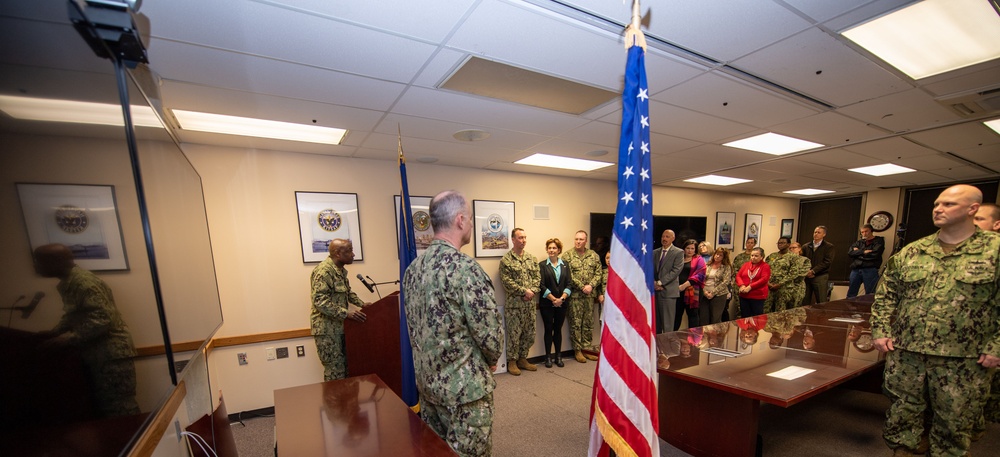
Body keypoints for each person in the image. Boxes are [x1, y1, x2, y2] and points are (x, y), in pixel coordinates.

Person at [872, 184, 1000, 456]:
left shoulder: (994, 250)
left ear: (972, 209)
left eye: (949, 204)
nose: (939, 209)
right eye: (936, 204)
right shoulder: (914, 251)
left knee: (954, 422)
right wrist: (880, 330)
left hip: (964, 359)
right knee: (902, 415)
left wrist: (997, 346)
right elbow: (886, 294)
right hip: (908, 354)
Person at [403, 190, 504, 457]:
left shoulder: (412, 270)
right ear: (460, 220)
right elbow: (490, 336)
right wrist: (491, 359)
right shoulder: (465, 269)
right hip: (465, 394)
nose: (470, 224)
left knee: (436, 452)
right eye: (470, 219)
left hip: (428, 387)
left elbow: (413, 328)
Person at [33, 243, 140, 418]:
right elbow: (74, 314)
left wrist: (68, 339)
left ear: (55, 261)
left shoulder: (84, 283)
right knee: (105, 408)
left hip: (111, 355)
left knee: (120, 408)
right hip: (98, 354)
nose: (36, 267)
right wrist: (55, 332)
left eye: (39, 262)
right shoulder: (69, 282)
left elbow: (103, 319)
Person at [310, 238, 368, 381]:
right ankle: (335, 404)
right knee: (335, 372)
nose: (353, 254)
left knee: (347, 370)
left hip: (341, 328)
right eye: (349, 251)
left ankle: (346, 403)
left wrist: (362, 304)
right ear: (337, 253)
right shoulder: (324, 271)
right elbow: (319, 301)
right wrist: (346, 314)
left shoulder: (340, 271)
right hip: (327, 331)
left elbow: (347, 293)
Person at [973, 202, 1000, 437]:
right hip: (955, 344)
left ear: (996, 224)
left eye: (980, 219)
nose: (973, 224)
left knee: (982, 395)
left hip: (989, 343)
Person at [498, 228, 540, 376]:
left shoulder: (531, 258)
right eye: (520, 238)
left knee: (529, 333)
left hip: (529, 305)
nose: (523, 240)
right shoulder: (506, 260)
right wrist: (524, 291)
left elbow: (537, 278)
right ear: (513, 240)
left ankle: (523, 358)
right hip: (514, 306)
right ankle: (512, 362)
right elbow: (506, 282)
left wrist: (532, 291)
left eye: (525, 237)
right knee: (514, 334)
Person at [561, 230, 602, 363]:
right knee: (575, 323)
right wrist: (582, 286)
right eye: (576, 239)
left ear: (585, 240)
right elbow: (568, 275)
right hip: (575, 296)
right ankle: (577, 350)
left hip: (589, 296)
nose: (578, 242)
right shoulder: (567, 256)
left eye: (581, 239)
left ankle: (587, 348)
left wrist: (591, 285)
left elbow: (598, 272)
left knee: (588, 323)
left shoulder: (593, 255)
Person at [539, 238, 572, 368]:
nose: (551, 250)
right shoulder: (542, 265)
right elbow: (541, 285)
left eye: (554, 248)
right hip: (547, 304)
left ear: (559, 250)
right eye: (549, 248)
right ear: (547, 249)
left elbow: (569, 284)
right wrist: (553, 299)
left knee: (558, 330)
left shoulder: (565, 265)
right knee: (548, 329)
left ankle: (558, 356)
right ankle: (548, 357)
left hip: (562, 304)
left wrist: (562, 299)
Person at [764, 237, 809, 313]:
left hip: (784, 289)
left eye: (783, 243)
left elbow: (793, 273)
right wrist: (768, 283)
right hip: (770, 287)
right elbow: (765, 270)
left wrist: (780, 284)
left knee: (780, 312)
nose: (780, 245)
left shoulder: (794, 257)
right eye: (779, 243)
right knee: (766, 310)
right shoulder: (772, 256)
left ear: (788, 244)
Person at [653, 230, 684, 334]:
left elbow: (676, 271)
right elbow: (650, 269)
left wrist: (660, 283)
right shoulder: (655, 252)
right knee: (656, 324)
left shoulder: (678, 252)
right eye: (663, 236)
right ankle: (657, 348)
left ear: (673, 239)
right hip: (655, 292)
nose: (664, 239)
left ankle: (667, 349)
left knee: (667, 325)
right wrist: (653, 283)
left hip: (668, 293)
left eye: (667, 237)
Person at [846, 224, 886, 298]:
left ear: (871, 231)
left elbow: (874, 255)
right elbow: (850, 253)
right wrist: (864, 252)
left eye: (866, 231)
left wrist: (858, 253)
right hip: (856, 269)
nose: (864, 233)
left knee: (870, 293)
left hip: (870, 269)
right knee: (851, 292)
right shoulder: (859, 242)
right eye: (862, 232)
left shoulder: (878, 241)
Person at [675, 239, 706, 330]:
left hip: (692, 291)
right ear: (684, 249)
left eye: (692, 248)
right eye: (687, 248)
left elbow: (700, 275)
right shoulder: (679, 258)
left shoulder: (699, 259)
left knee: (693, 315)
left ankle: (694, 340)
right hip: (677, 290)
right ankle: (672, 338)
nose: (690, 250)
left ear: (695, 249)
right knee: (677, 314)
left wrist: (684, 286)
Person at [801, 226, 835, 305]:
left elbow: (827, 262)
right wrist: (807, 271)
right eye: (815, 232)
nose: (816, 234)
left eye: (819, 232)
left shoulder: (829, 247)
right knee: (804, 300)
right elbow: (802, 260)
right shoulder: (806, 246)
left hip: (820, 275)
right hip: (807, 276)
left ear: (824, 234)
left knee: (821, 300)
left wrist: (814, 271)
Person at [699, 248, 733, 325]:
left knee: (715, 318)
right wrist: (705, 292)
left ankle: (714, 336)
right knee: (703, 318)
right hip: (705, 294)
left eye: (720, 255)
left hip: (719, 295)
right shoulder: (707, 265)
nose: (717, 256)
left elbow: (726, 281)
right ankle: (705, 336)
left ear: (724, 257)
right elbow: (701, 278)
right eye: (716, 254)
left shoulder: (726, 267)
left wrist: (713, 293)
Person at [736, 247, 771, 318]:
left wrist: (750, 287)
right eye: (752, 255)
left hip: (757, 296)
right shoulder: (746, 265)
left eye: (756, 256)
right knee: (745, 317)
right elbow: (738, 276)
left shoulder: (765, 266)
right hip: (744, 295)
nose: (753, 257)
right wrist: (742, 285)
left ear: (762, 257)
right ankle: (746, 329)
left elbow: (764, 279)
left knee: (756, 318)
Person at [786, 242, 812, 309]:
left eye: (794, 248)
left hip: (797, 287)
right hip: (785, 287)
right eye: (790, 248)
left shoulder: (804, 260)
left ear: (799, 249)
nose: (792, 249)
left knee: (795, 308)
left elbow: (802, 274)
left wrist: (787, 278)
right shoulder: (785, 260)